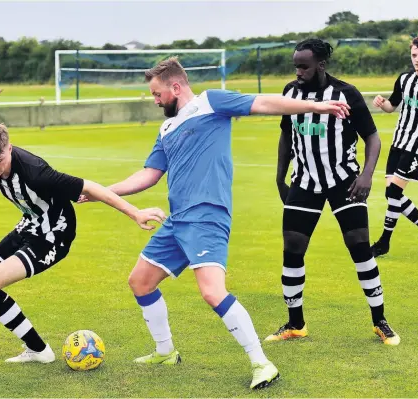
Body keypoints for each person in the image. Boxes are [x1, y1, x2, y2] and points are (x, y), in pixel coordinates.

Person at [78, 57, 350, 389]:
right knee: (140, 282)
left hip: (207, 216)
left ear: (175, 87)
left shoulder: (211, 102)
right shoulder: (166, 128)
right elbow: (149, 175)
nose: (155, 100)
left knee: (211, 292)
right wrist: (103, 192)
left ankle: (262, 363)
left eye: (156, 93)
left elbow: (264, 102)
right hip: (177, 221)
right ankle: (165, 352)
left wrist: (317, 107)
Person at [0, 122, 166, 366]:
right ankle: (39, 350)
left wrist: (135, 213)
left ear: (9, 147)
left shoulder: (36, 172)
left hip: (54, 234)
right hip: (29, 224)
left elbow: (91, 187)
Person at [267, 39, 400, 347]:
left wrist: (366, 175)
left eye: (304, 66)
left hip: (344, 180)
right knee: (293, 247)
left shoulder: (346, 94)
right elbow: (286, 136)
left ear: (321, 65)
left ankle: (379, 320)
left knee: (359, 245)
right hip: (304, 182)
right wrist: (279, 178)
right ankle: (295, 323)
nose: (298, 72)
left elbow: (373, 137)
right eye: (296, 66)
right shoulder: (290, 92)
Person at [370, 36, 418, 258]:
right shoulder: (404, 79)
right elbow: (391, 107)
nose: (417, 59)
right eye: (414, 55)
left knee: (393, 191)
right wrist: (381, 103)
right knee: (392, 195)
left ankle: (386, 241)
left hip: (416, 145)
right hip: (398, 142)